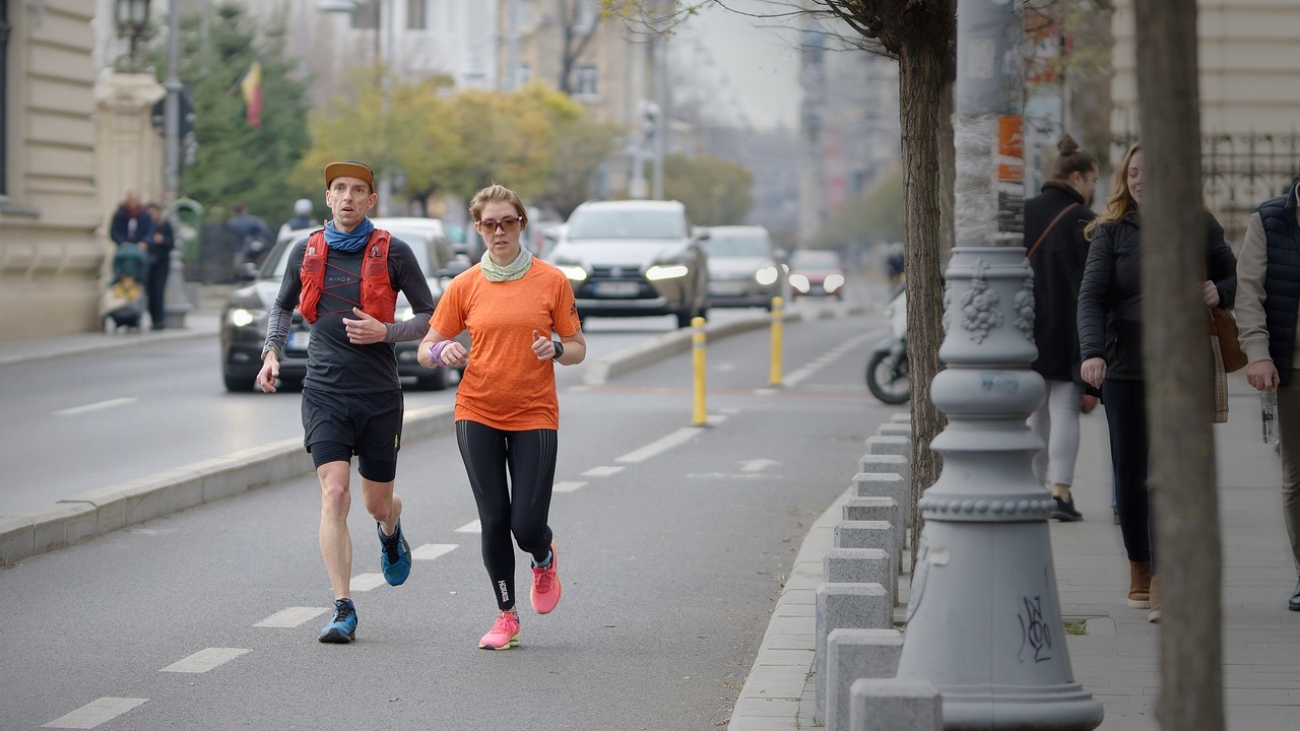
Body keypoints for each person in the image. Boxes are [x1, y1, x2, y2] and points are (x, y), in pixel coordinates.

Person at [256, 160, 437, 644]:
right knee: (334, 494)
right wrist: (271, 351)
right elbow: (282, 306)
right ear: (329, 198)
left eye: (359, 190)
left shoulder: (394, 252)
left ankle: (391, 529)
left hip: (379, 394)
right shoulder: (305, 249)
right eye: (340, 188)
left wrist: (388, 332)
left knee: (376, 503)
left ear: (371, 201)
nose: (348, 197)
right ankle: (343, 607)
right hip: (324, 392)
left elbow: (432, 317)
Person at [417, 184, 586, 650]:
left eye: (507, 223)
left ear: (521, 224)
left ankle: (542, 555)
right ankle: (506, 616)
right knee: (493, 519)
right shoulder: (465, 285)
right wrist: (441, 347)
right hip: (477, 410)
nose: (498, 232)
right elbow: (424, 351)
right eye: (489, 225)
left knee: (525, 524)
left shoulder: (551, 281)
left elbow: (577, 349)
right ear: (477, 229)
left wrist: (554, 347)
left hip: (534, 412)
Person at [1077, 142, 1237, 623]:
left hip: (1181, 368)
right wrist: (1092, 353)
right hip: (1125, 367)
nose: (1142, 179)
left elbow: (1235, 275)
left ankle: (1167, 578)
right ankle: (1140, 570)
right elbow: (1092, 297)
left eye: (1152, 171)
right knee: (1129, 473)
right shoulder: (1111, 232)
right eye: (1135, 171)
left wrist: (1218, 290)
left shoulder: (1199, 225)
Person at [1024, 134, 1100, 522]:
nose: (1092, 189)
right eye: (1092, 181)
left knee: (1036, 412)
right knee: (1066, 408)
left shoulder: (1025, 212)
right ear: (1076, 177)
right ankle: (1061, 492)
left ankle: (1034, 492)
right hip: (1072, 329)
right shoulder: (1087, 222)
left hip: (1029, 328)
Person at [1234, 172, 1300, 612]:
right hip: (1291, 367)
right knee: (1297, 476)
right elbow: (1248, 292)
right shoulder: (1270, 219)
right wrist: (1257, 353)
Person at [144, 202, 175, 331]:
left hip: (161, 262)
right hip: (148, 261)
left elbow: (171, 243)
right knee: (149, 290)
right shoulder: (146, 226)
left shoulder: (164, 225)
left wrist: (162, 240)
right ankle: (152, 318)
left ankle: (159, 319)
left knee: (158, 290)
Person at [227, 203, 274, 275]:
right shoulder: (254, 220)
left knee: (238, 266)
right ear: (245, 210)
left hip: (239, 250)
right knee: (262, 265)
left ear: (233, 212)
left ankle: (249, 270)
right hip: (257, 248)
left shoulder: (230, 223)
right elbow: (266, 232)